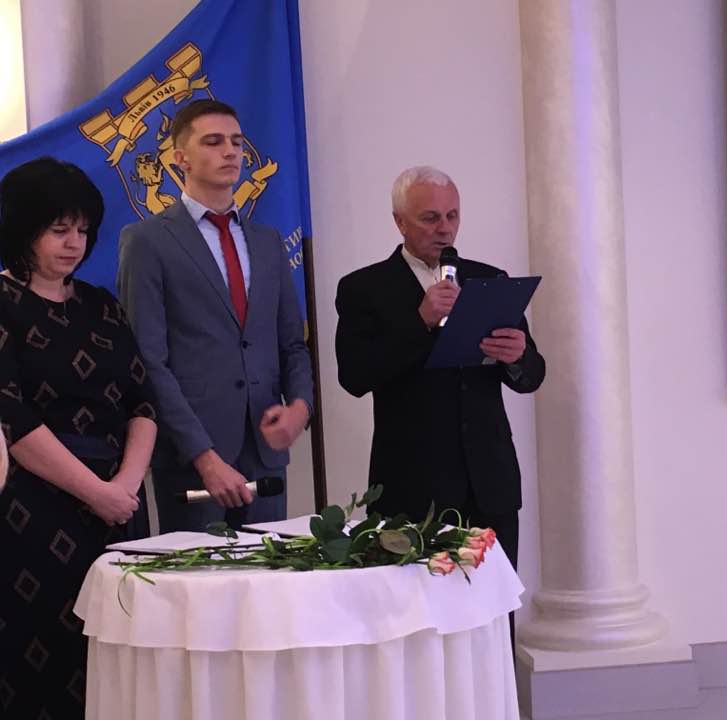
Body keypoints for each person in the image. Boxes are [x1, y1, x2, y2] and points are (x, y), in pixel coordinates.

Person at [0, 157, 157, 718]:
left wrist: (125, 485)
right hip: (35, 507)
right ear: (23, 230)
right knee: (41, 654)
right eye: (58, 229)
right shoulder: (4, 303)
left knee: (117, 655)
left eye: (83, 230)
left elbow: (143, 403)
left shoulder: (101, 305)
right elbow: (12, 418)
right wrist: (96, 492)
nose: (74, 244)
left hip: (119, 502)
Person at [335, 166, 545, 570]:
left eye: (452, 216)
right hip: (412, 488)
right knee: (418, 605)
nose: (444, 229)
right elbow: (355, 376)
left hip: (489, 484)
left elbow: (532, 376)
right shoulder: (364, 288)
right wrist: (419, 322)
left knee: (493, 604)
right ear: (400, 222)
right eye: (430, 218)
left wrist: (518, 356)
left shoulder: (488, 279)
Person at [118, 99, 314, 532]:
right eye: (213, 142)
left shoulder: (266, 241)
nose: (230, 152)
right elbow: (149, 361)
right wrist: (203, 456)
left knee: (268, 569)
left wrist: (301, 406)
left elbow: (291, 343)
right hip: (192, 456)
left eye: (237, 142)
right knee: (198, 571)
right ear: (180, 157)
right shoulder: (147, 241)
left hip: (263, 451)